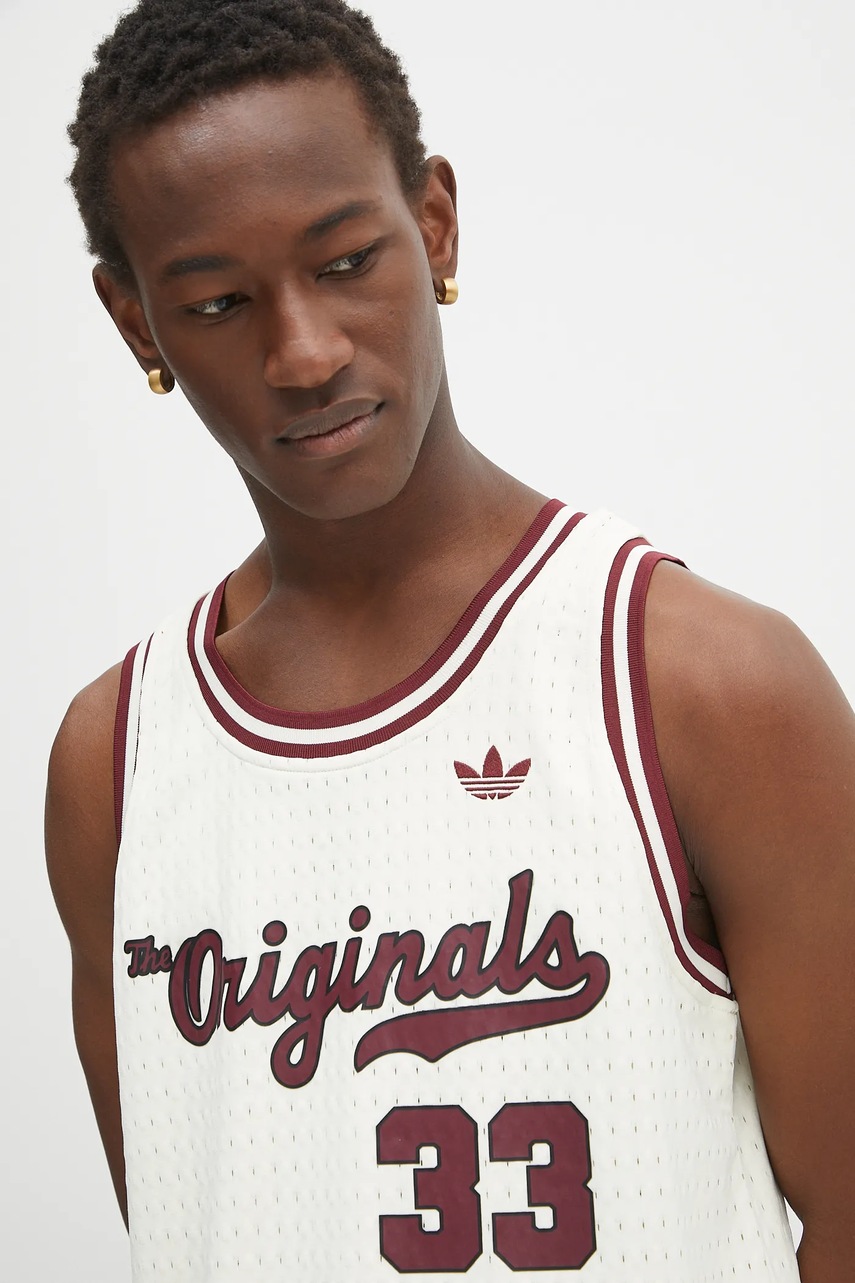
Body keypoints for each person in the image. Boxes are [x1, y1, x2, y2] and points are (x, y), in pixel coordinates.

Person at [45, 1, 855, 1279]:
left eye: (345, 261)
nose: (304, 353)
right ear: (139, 322)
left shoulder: (703, 684)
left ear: (433, 224)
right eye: (217, 302)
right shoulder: (116, 761)